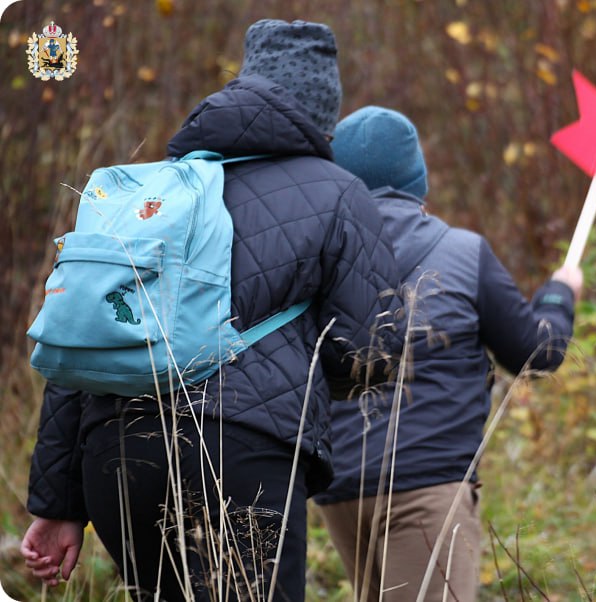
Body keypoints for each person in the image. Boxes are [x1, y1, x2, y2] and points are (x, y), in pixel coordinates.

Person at [21, 20, 401, 602]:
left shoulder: (148, 196)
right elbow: (371, 352)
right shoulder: (339, 191)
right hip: (244, 457)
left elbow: (81, 346)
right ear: (322, 114)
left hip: (115, 458)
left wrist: (57, 503)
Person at [313, 106, 582, 601]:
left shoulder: (317, 258)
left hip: (340, 490)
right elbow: (536, 353)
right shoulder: (463, 253)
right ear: (418, 181)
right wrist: (559, 295)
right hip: (427, 490)